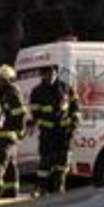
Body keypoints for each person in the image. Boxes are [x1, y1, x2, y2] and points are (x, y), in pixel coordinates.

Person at [28, 64, 81, 195]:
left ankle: (59, 191)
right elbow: (35, 115)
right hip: (48, 134)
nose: (51, 76)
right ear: (43, 75)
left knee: (62, 165)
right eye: (48, 74)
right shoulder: (37, 91)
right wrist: (45, 124)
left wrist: (74, 121)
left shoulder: (66, 88)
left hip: (65, 134)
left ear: (56, 73)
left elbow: (76, 108)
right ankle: (41, 189)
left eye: (53, 73)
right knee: (45, 164)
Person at [0, 65, 27, 199]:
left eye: (1, 80)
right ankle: (11, 190)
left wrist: (21, 130)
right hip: (1, 133)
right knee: (10, 163)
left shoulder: (13, 92)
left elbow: (20, 113)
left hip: (9, 134)